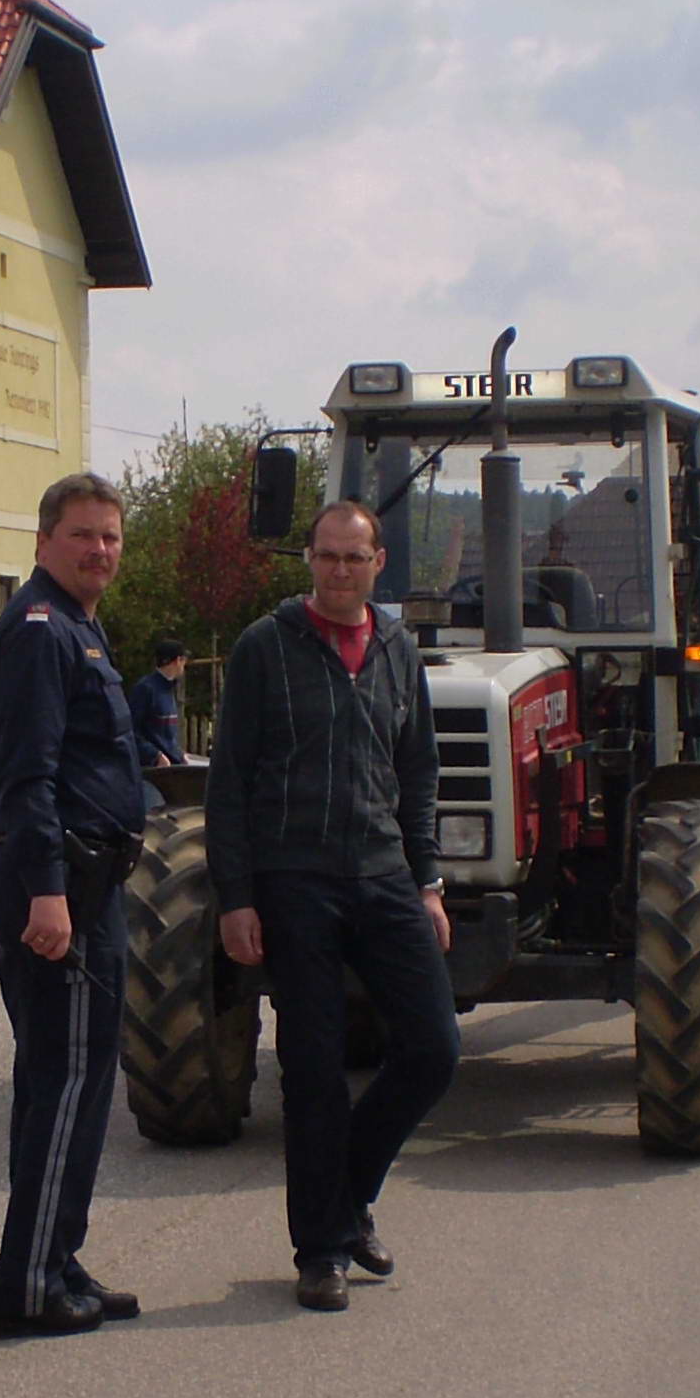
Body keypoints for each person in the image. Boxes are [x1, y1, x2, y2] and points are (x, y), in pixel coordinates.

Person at [208, 499, 460, 1312]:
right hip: (295, 879)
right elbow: (229, 785)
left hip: (383, 874)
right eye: (327, 557)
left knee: (433, 1046)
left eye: (355, 558)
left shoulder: (396, 649)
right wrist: (236, 897)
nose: (340, 570)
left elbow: (417, 772)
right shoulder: (264, 649)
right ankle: (320, 1251)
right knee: (313, 1070)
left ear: (378, 563)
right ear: (309, 561)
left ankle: (347, 1197)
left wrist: (427, 881)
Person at [0, 474, 146, 1337]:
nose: (100, 551)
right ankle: (29, 1283)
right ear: (45, 540)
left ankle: (54, 1257)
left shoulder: (78, 624)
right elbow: (27, 778)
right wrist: (48, 893)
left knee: (65, 1085)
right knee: (67, 1085)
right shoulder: (42, 632)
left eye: (111, 537)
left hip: (89, 886)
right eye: (83, 535)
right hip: (63, 891)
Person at [129, 639, 189, 772]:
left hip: (172, 766)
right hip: (154, 770)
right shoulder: (145, 689)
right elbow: (131, 731)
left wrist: (179, 754)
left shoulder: (169, 688)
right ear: (178, 660)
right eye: (184, 660)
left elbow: (167, 735)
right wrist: (155, 755)